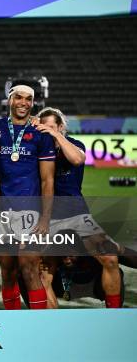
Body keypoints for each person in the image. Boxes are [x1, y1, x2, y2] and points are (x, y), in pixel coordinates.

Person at [36, 107, 122, 308]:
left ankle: (115, 315)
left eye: (52, 127)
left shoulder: (75, 144)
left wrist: (56, 135)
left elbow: (77, 159)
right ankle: (54, 325)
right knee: (42, 275)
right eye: (43, 127)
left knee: (110, 259)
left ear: (61, 127)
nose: (47, 131)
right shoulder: (37, 149)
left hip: (78, 216)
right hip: (49, 219)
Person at [0, 84, 56, 310]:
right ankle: (14, 323)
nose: (24, 103)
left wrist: (46, 219)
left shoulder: (41, 134)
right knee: (7, 270)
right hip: (1, 212)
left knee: (29, 266)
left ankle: (38, 323)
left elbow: (48, 180)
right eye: (19, 98)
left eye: (28, 99)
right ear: (10, 100)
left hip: (30, 212)